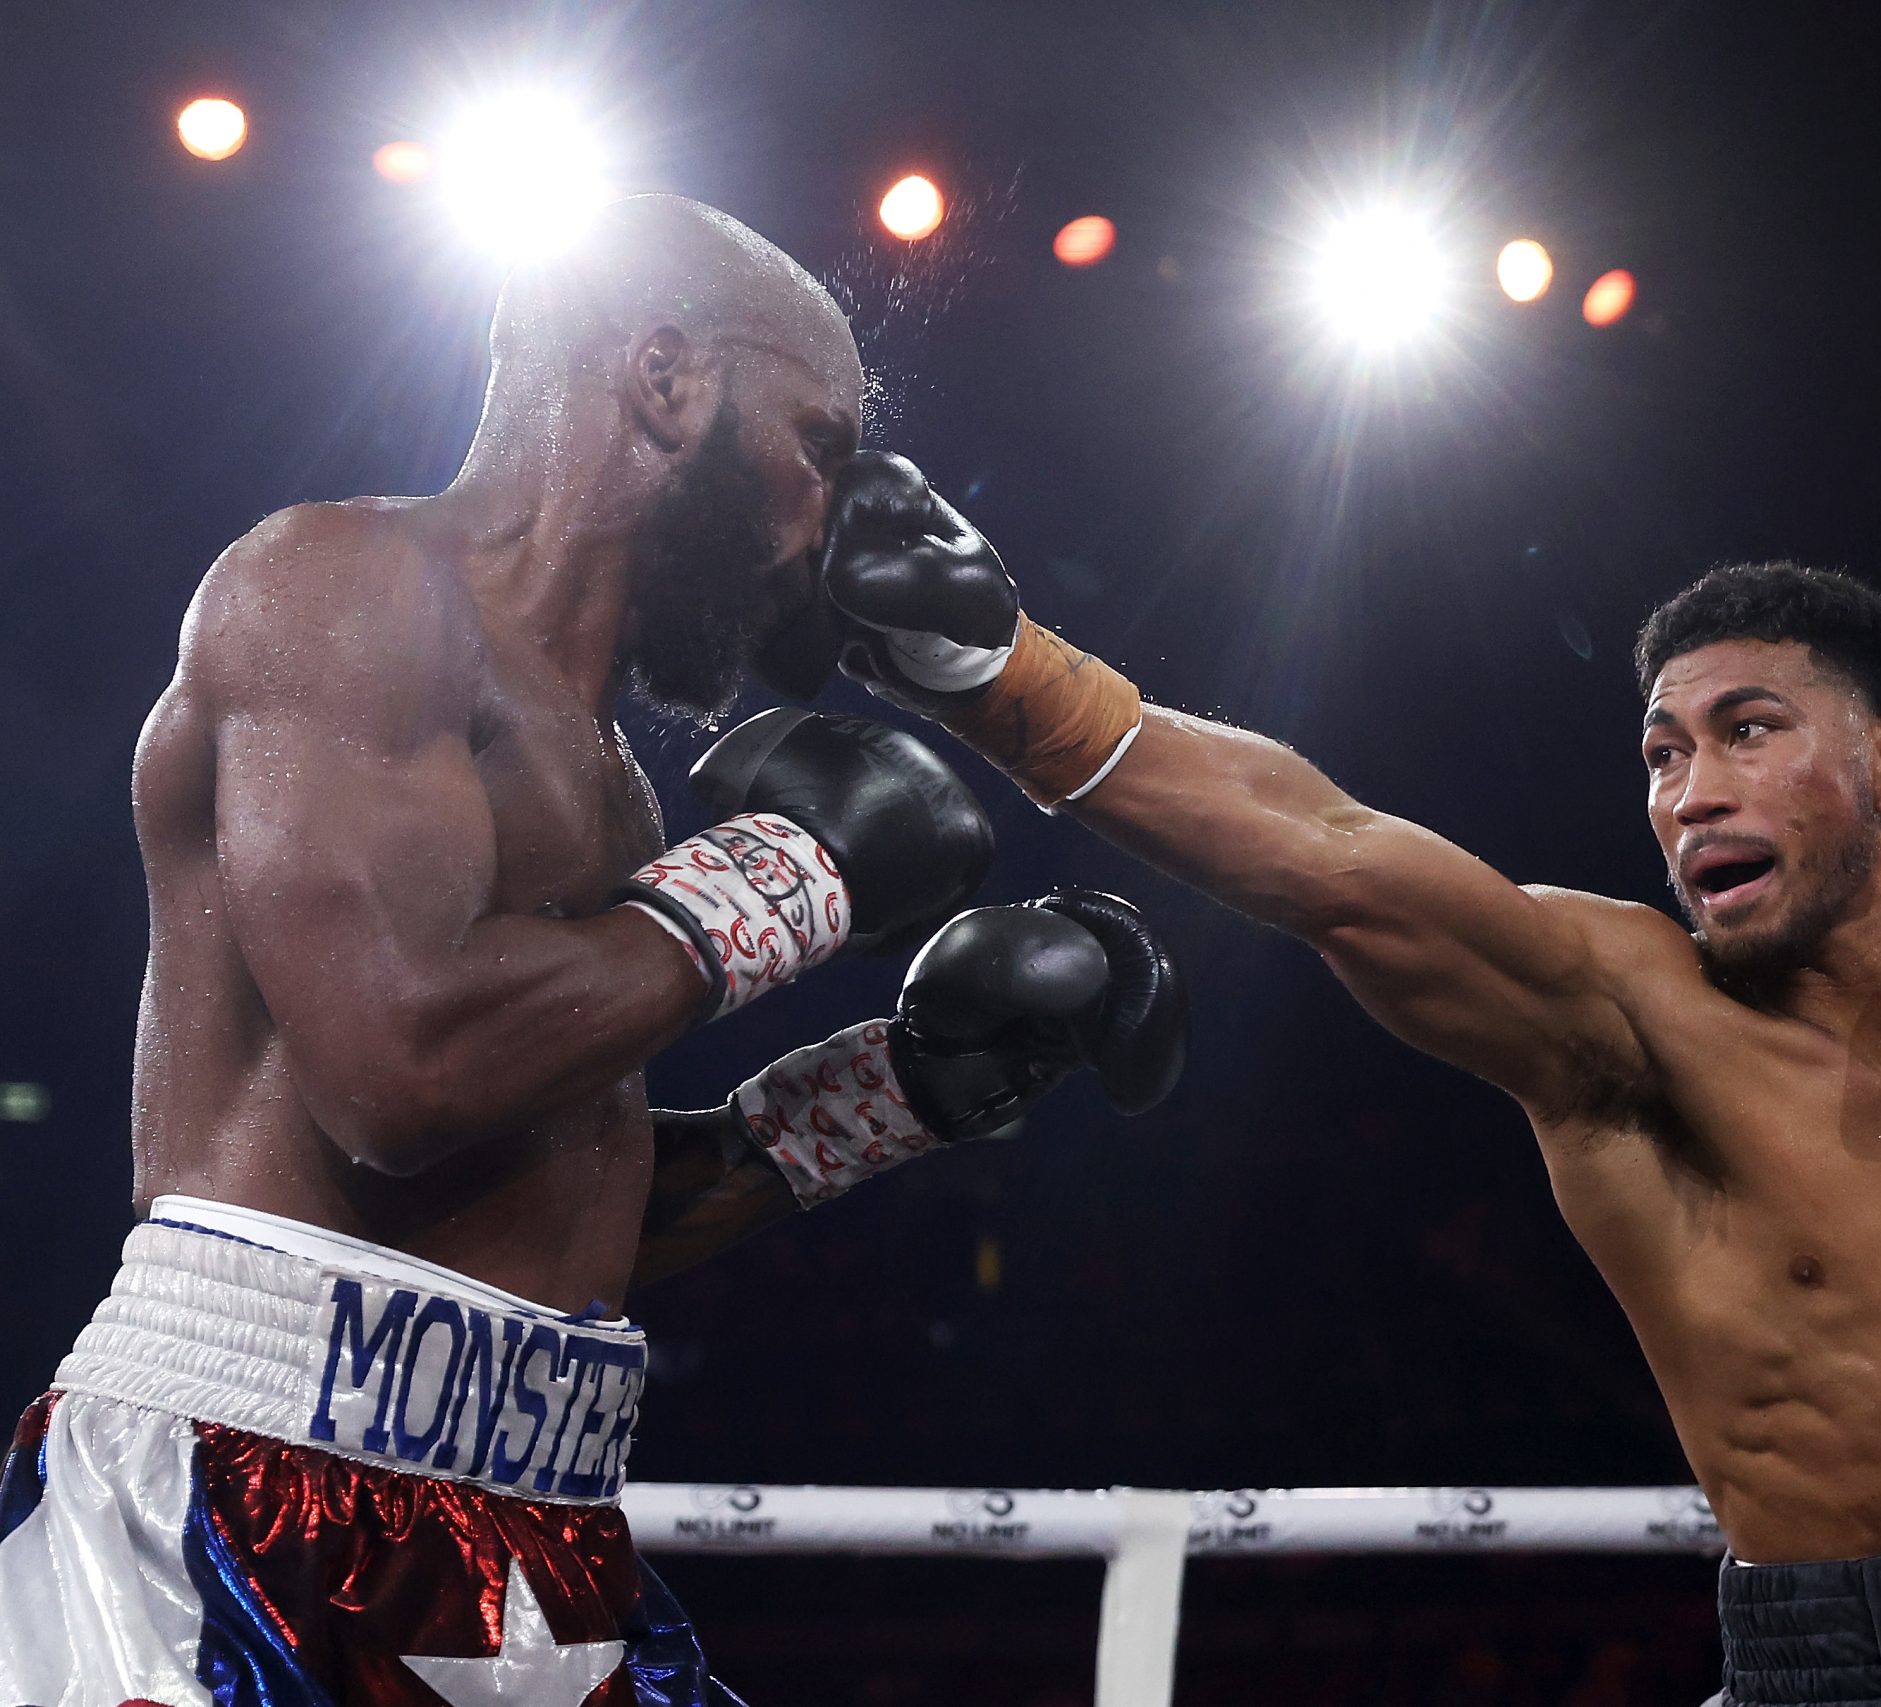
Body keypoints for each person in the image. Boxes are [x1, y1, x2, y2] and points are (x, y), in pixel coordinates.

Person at [818, 453, 1881, 1706]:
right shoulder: (1625, 1016)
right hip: (1849, 1674)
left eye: (1747, 731)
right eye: (1663, 752)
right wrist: (995, 667)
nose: (1692, 792)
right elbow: (1332, 856)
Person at [0, 198, 1184, 1704]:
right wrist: (796, 869)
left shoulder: (613, 775)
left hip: (537, 1526)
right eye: (821, 447)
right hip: (241, 1502)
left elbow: (550, 1197)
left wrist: (895, 1090)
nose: (836, 519)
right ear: (668, 379)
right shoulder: (344, 588)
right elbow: (401, 1068)